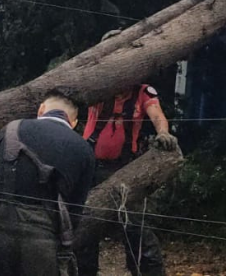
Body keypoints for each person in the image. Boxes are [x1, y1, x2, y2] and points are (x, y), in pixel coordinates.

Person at [76, 30, 178, 276]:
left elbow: (157, 116)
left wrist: (163, 133)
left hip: (124, 170)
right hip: (88, 166)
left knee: (134, 228)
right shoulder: (97, 87)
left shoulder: (144, 92)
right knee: (84, 226)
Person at [0, 88, 95, 276]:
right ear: (73, 123)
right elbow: (75, 210)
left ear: (41, 109)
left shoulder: (11, 129)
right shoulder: (84, 149)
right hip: (41, 243)